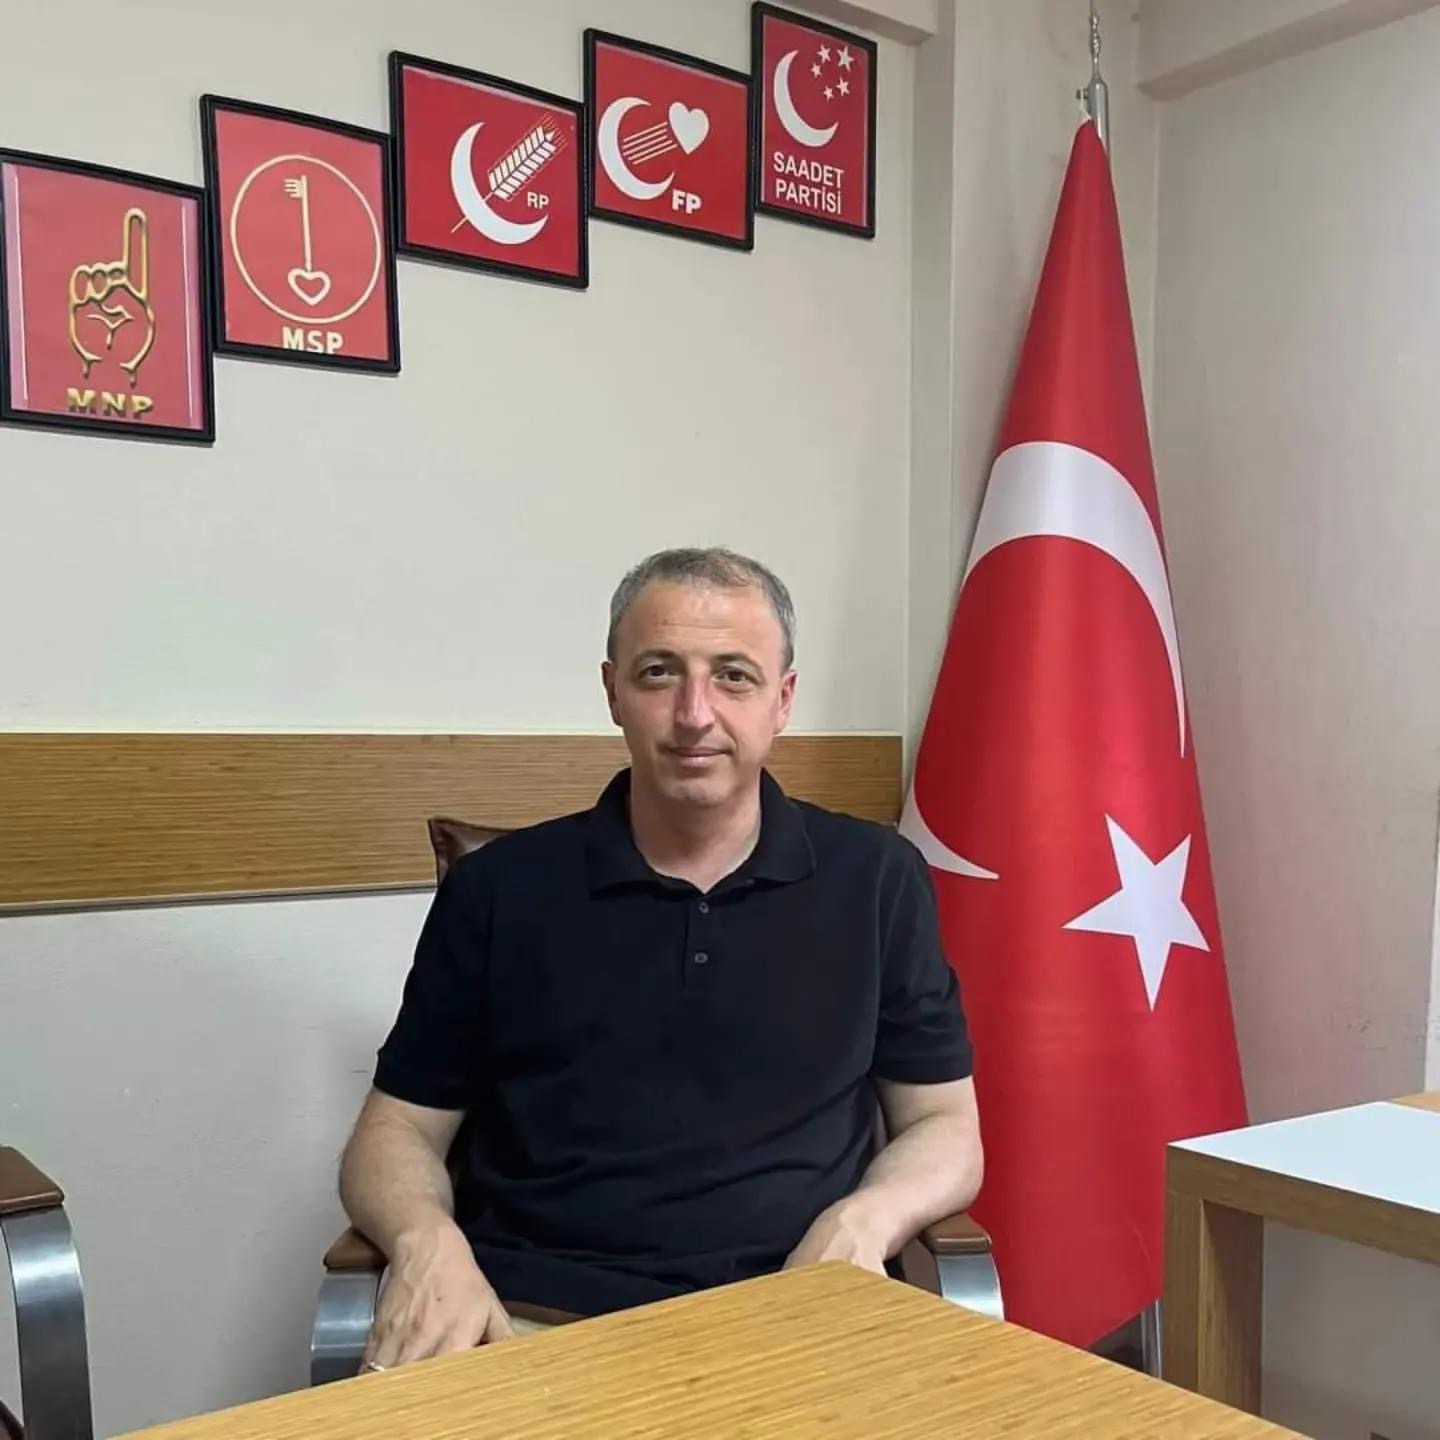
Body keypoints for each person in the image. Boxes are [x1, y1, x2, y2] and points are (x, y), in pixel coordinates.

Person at [339, 548, 982, 1371]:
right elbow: (395, 1128)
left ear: (783, 700)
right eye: (659, 673)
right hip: (532, 1322)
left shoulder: (878, 879)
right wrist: (425, 1241)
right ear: (613, 691)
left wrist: (865, 1222)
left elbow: (945, 1125)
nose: (694, 714)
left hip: (800, 1311)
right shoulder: (498, 890)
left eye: (734, 676)